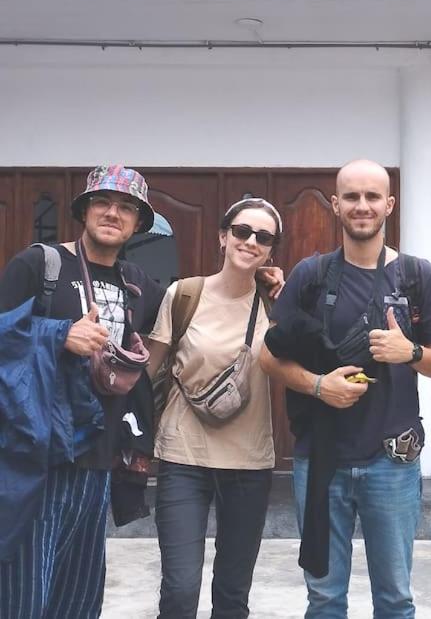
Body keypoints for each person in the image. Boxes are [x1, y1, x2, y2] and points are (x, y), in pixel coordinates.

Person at [260, 159, 431, 618]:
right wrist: (317, 385)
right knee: (325, 598)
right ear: (335, 205)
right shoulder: (310, 276)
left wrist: (408, 352)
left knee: (395, 598)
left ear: (389, 204)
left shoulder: (416, 275)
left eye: (372, 197)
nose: (362, 206)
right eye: (352, 196)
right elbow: (269, 355)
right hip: (322, 460)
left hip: (391, 462)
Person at [0, 164, 165, 619]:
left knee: (78, 599)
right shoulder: (40, 265)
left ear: (138, 223)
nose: (113, 213)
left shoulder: (138, 286)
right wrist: (58, 334)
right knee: (23, 596)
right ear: (84, 210)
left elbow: (194, 311)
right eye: (103, 202)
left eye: (126, 207)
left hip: (100, 461)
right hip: (39, 461)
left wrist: (268, 289)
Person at [145, 198, 283, 618]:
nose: (250, 241)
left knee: (232, 593)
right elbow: (151, 369)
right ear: (223, 237)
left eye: (263, 237)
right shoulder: (184, 294)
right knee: (181, 589)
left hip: (249, 461)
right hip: (183, 455)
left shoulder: (277, 303)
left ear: (271, 250)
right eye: (241, 231)